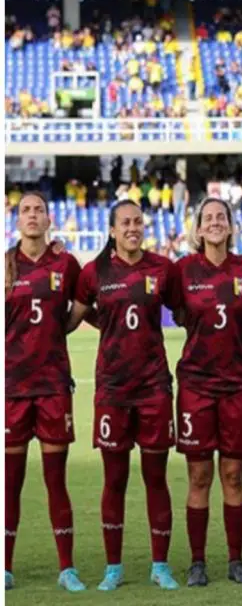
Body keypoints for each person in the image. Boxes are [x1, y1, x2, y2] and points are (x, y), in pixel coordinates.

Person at [68, 199, 183, 591]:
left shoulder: (162, 269)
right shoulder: (94, 271)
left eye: (138, 221)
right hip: (113, 389)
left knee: (156, 478)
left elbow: (186, 312)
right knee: (113, 479)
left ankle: (160, 566)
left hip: (153, 387)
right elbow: (73, 317)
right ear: (112, 230)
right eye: (125, 222)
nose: (133, 227)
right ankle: (113, 567)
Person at [174, 198, 242, 587]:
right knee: (199, 476)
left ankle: (236, 560)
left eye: (220, 217)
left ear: (230, 225)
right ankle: (196, 562)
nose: (214, 223)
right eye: (208, 218)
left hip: (237, 385)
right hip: (195, 384)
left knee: (234, 475)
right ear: (198, 228)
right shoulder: (182, 271)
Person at [5, 192, 87, 592]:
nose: (32, 216)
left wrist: (56, 331)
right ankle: (4, 567)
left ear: (49, 218)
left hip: (54, 386)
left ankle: (67, 568)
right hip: (12, 389)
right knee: (10, 483)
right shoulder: (5, 264)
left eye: (39, 210)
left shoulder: (64, 263)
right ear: (16, 220)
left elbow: (80, 307)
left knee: (56, 480)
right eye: (26, 210)